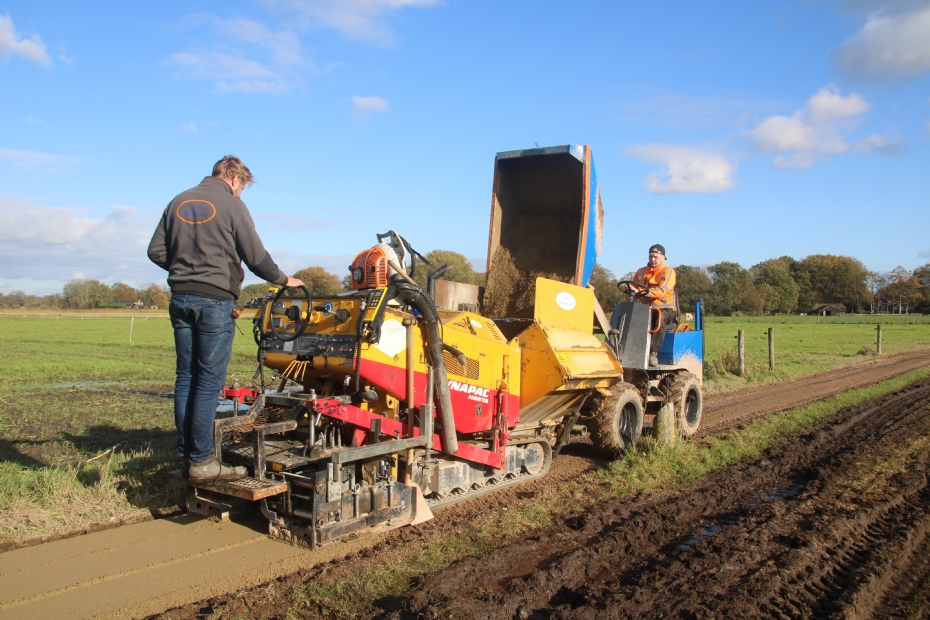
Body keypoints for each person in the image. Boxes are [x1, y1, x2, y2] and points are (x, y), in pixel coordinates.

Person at [148, 156, 304, 483]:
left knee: (185, 378)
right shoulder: (232, 206)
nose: (241, 194)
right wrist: (283, 279)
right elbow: (256, 255)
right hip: (214, 301)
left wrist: (186, 269)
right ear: (234, 179)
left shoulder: (178, 200)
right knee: (207, 382)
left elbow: (156, 252)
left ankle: (187, 457)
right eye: (242, 188)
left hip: (180, 298)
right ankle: (203, 462)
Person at [630, 244, 677, 367]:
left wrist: (640, 292)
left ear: (663, 257)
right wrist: (630, 290)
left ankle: (653, 353)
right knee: (628, 316)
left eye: (656, 256)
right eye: (651, 256)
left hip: (664, 309)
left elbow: (662, 291)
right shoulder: (640, 272)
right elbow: (634, 288)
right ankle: (627, 350)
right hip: (645, 308)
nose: (653, 259)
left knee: (658, 319)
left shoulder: (668, 272)